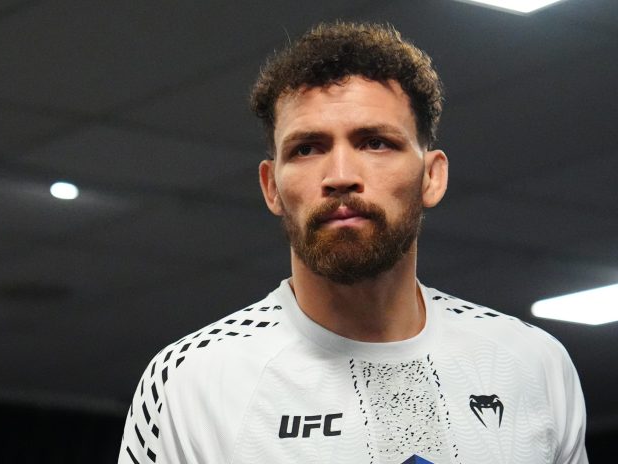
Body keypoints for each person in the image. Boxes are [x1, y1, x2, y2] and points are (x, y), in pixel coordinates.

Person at [118, 22, 587, 464]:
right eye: (307, 149)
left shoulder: (532, 363)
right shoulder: (192, 380)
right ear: (271, 187)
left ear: (432, 176)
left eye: (376, 142)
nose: (340, 176)